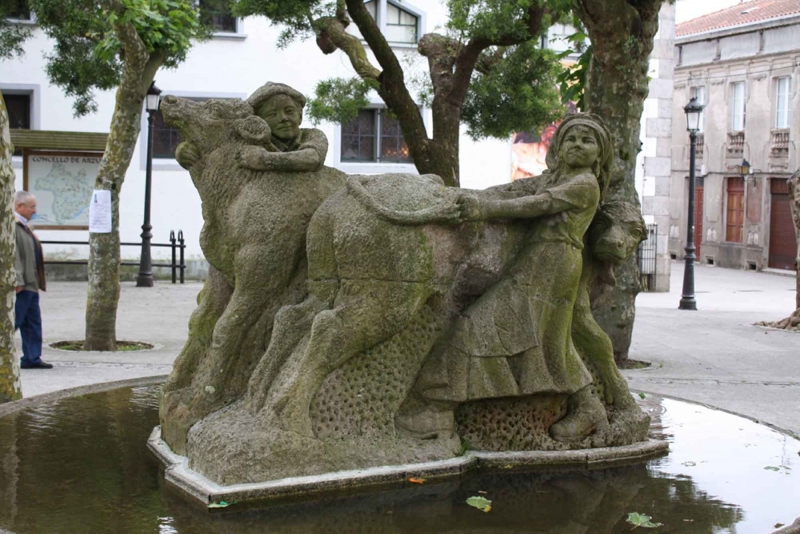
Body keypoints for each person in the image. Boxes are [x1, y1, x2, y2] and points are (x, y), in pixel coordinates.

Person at [419, 114, 613, 440]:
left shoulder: (583, 184)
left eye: (587, 140)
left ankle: (440, 410)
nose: (578, 144)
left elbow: (538, 205)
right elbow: (512, 192)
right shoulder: (551, 178)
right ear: (559, 147)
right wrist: (467, 197)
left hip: (554, 264)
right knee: (550, 340)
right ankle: (587, 405)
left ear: (599, 154)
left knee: (482, 325)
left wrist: (486, 210)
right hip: (537, 260)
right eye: (571, 138)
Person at [14, 191, 52, 369]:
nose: (35, 211)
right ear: (19, 206)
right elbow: (13, 255)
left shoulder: (25, 226)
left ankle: (32, 358)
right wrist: (17, 279)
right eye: (32, 207)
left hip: (32, 283)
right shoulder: (12, 226)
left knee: (32, 322)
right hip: (22, 284)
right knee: (15, 320)